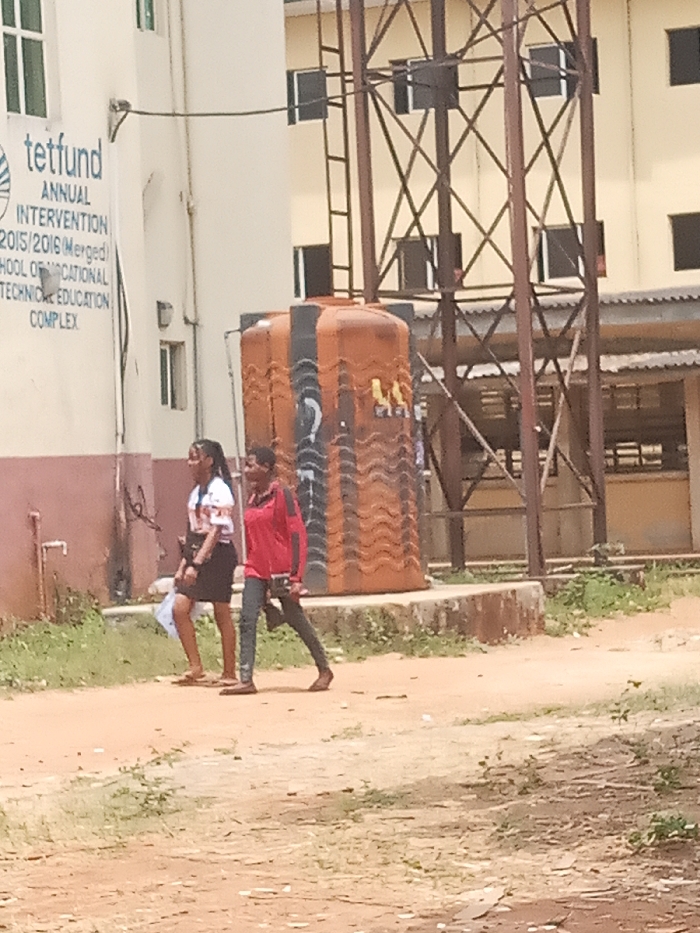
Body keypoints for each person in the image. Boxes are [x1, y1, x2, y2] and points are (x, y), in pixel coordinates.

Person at [221, 446, 333, 696]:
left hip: (282, 571)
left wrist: (296, 577)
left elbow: (297, 534)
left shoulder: (283, 495)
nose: (246, 470)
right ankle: (246, 678)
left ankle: (324, 669)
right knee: (247, 619)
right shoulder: (252, 498)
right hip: (256, 570)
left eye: (251, 465)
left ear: (266, 467)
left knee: (295, 618)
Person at [172, 439, 238, 686]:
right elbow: (192, 532)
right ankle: (195, 666)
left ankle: (229, 672)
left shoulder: (220, 490)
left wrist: (197, 564)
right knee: (179, 608)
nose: (190, 463)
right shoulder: (195, 493)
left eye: (195, 458)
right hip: (196, 551)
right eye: (189, 458)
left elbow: (216, 532)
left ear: (208, 461)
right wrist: (183, 565)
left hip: (218, 555)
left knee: (222, 612)